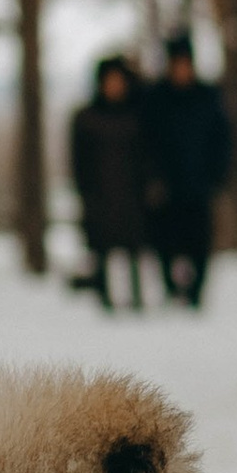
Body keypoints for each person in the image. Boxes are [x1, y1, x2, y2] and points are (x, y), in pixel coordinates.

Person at [140, 29, 234, 308]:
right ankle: (172, 288)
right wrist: (152, 177)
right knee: (165, 242)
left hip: (199, 184)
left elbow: (222, 140)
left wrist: (217, 176)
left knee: (199, 244)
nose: (181, 69)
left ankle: (195, 293)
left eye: (185, 63)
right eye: (177, 64)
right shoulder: (156, 99)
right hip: (166, 186)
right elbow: (146, 142)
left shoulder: (208, 97)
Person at [67, 56, 150, 312]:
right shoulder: (87, 117)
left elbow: (148, 155)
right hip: (99, 194)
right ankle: (105, 299)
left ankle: (137, 299)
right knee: (101, 249)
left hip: (132, 194)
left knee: (134, 249)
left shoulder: (137, 115)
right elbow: (78, 159)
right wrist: (84, 190)